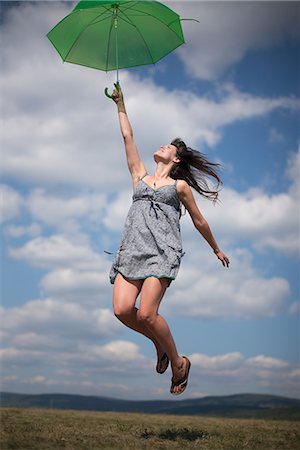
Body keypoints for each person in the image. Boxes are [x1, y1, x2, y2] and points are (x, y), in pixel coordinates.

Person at [109, 85, 229, 395]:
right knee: (123, 311)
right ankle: (159, 344)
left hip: (161, 253)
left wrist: (215, 248)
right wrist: (121, 104)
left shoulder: (178, 188)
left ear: (175, 160)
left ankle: (177, 362)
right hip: (132, 249)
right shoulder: (140, 176)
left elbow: (199, 220)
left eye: (168, 147)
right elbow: (127, 138)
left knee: (147, 314)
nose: (161, 146)